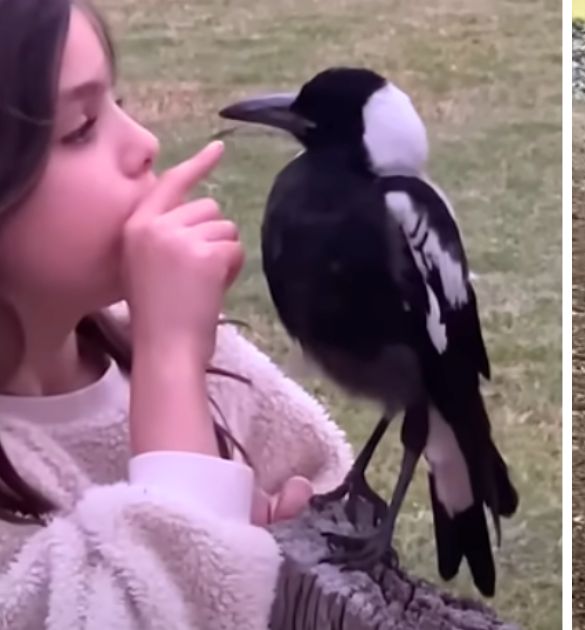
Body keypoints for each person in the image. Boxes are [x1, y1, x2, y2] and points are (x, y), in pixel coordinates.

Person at [0, 1, 354, 627]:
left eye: (118, 101)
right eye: (81, 126)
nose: (144, 142)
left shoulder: (206, 362)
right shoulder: (174, 351)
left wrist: (303, 547)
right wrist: (169, 363)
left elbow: (331, 489)